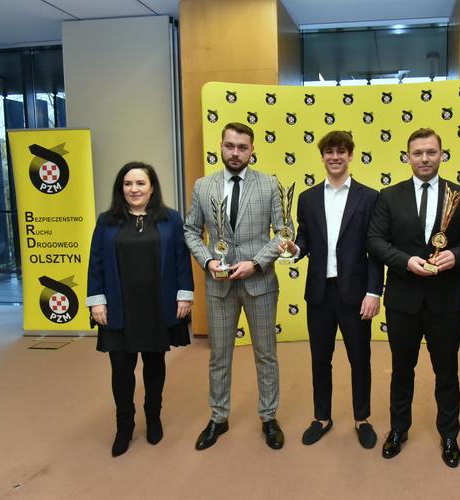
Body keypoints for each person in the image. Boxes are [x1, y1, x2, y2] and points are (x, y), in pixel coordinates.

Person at [367, 128, 460, 468]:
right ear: (407, 157)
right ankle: (398, 429)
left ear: (442, 155)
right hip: (403, 301)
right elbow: (375, 240)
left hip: (444, 301)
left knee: (447, 372)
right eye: (418, 153)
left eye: (431, 152)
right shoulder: (389, 196)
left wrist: (455, 255)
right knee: (402, 371)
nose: (425, 158)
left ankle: (449, 434)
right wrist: (405, 262)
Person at [184, 122, 291, 451]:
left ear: (252, 150)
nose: (235, 152)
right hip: (218, 287)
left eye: (242, 147)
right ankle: (218, 417)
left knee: (266, 355)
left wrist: (256, 263)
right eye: (230, 146)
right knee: (219, 356)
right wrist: (207, 261)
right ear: (221, 146)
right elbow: (191, 230)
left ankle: (269, 417)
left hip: (260, 283)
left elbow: (284, 233)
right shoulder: (203, 186)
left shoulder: (269, 184)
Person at [281, 131, 384, 449]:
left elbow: (375, 249)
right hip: (319, 293)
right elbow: (304, 239)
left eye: (341, 151)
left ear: (350, 155)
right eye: (329, 151)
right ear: (322, 156)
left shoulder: (369, 197)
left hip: (355, 294)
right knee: (320, 358)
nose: (335, 157)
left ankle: (362, 418)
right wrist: (295, 249)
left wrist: (374, 292)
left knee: (360, 358)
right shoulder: (308, 198)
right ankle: (322, 417)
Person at [86, 162, 194, 457]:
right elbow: (96, 262)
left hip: (156, 306)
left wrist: (184, 296)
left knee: (154, 364)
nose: (134, 189)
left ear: (152, 187)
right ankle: (124, 426)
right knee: (121, 368)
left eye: (140, 183)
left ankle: (153, 417)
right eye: (128, 184)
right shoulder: (107, 221)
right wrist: (97, 300)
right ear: (121, 188)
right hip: (118, 308)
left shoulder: (171, 219)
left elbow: (181, 259)